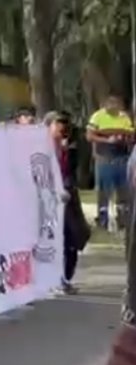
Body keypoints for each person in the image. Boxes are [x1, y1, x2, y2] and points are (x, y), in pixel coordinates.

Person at [44, 111, 89, 294]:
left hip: (68, 197)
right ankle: (54, 279)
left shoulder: (69, 148)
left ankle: (65, 278)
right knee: (53, 240)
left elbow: (71, 172)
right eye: (58, 124)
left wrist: (67, 150)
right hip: (49, 200)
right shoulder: (40, 149)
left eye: (65, 125)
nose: (62, 128)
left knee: (74, 237)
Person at [87, 94, 134, 231]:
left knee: (123, 191)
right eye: (111, 104)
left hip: (122, 158)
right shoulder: (97, 116)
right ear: (105, 105)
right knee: (104, 191)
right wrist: (107, 140)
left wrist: (125, 139)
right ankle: (102, 219)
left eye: (116, 105)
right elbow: (89, 136)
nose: (114, 107)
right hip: (104, 158)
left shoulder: (124, 117)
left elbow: (131, 134)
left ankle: (123, 220)